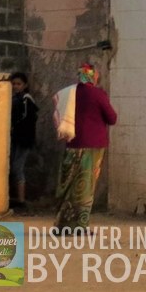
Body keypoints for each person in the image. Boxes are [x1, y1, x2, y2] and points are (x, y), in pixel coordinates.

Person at [54, 62, 117, 234]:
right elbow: (112, 118)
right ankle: (79, 226)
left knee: (69, 183)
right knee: (85, 185)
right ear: (93, 76)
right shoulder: (97, 94)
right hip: (93, 145)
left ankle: (62, 225)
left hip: (72, 143)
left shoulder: (69, 93)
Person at [10, 72, 38, 210]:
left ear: (25, 85)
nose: (15, 86)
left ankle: (21, 201)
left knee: (17, 168)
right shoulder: (16, 99)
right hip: (16, 139)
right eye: (14, 84)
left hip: (23, 139)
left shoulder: (26, 100)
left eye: (18, 84)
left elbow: (26, 120)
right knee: (14, 168)